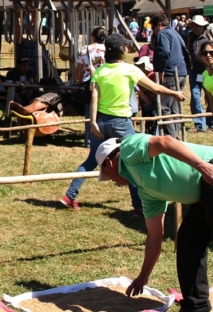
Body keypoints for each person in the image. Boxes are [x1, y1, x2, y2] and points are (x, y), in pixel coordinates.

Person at [61, 33, 185, 213]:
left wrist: (93, 123)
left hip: (101, 122)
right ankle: (138, 207)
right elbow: (155, 88)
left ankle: (69, 195)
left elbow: (94, 98)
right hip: (120, 123)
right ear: (121, 50)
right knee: (132, 162)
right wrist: (175, 93)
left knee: (90, 160)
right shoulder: (130, 70)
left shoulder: (99, 71)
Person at [96, 134, 213, 310]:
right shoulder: (146, 191)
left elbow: (165, 142)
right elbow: (155, 236)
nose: (111, 181)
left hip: (209, 170)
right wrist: (143, 276)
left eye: (106, 174)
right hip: (202, 194)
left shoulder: (128, 150)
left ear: (108, 162)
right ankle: (197, 308)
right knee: (189, 242)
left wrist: (202, 166)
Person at [151, 13, 188, 138]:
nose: (154, 32)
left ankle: (173, 138)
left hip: (170, 73)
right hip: (181, 72)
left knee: (163, 106)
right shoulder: (175, 32)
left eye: (153, 28)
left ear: (159, 25)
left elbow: (164, 52)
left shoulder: (162, 33)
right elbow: (185, 50)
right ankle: (176, 134)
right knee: (174, 106)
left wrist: (161, 70)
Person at [76, 26, 106, 148]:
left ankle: (89, 140)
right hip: (104, 81)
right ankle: (102, 137)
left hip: (89, 81)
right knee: (103, 111)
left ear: (93, 36)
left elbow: (79, 69)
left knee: (89, 112)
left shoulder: (85, 49)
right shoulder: (108, 49)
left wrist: (79, 81)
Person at [186, 16, 210, 133]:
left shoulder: (209, 37)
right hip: (194, 71)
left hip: (209, 71)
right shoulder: (190, 37)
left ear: (203, 26)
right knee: (195, 97)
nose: (194, 28)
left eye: (197, 25)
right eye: (193, 25)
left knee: (210, 97)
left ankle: (211, 123)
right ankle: (199, 124)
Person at [199, 40, 213, 132]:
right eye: (205, 53)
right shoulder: (204, 74)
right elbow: (210, 98)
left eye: (211, 52)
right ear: (201, 56)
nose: (208, 55)